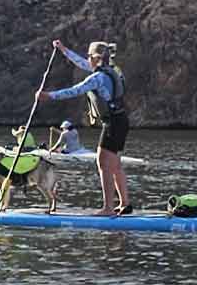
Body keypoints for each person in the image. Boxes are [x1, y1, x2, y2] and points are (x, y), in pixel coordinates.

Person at [37, 40, 131, 215]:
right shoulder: (113, 71)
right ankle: (125, 203)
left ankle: (108, 208)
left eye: (89, 56)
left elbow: (75, 90)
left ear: (97, 58)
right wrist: (64, 50)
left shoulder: (97, 77)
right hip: (121, 121)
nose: (87, 60)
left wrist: (48, 96)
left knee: (103, 163)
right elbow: (81, 63)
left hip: (113, 124)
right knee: (115, 164)